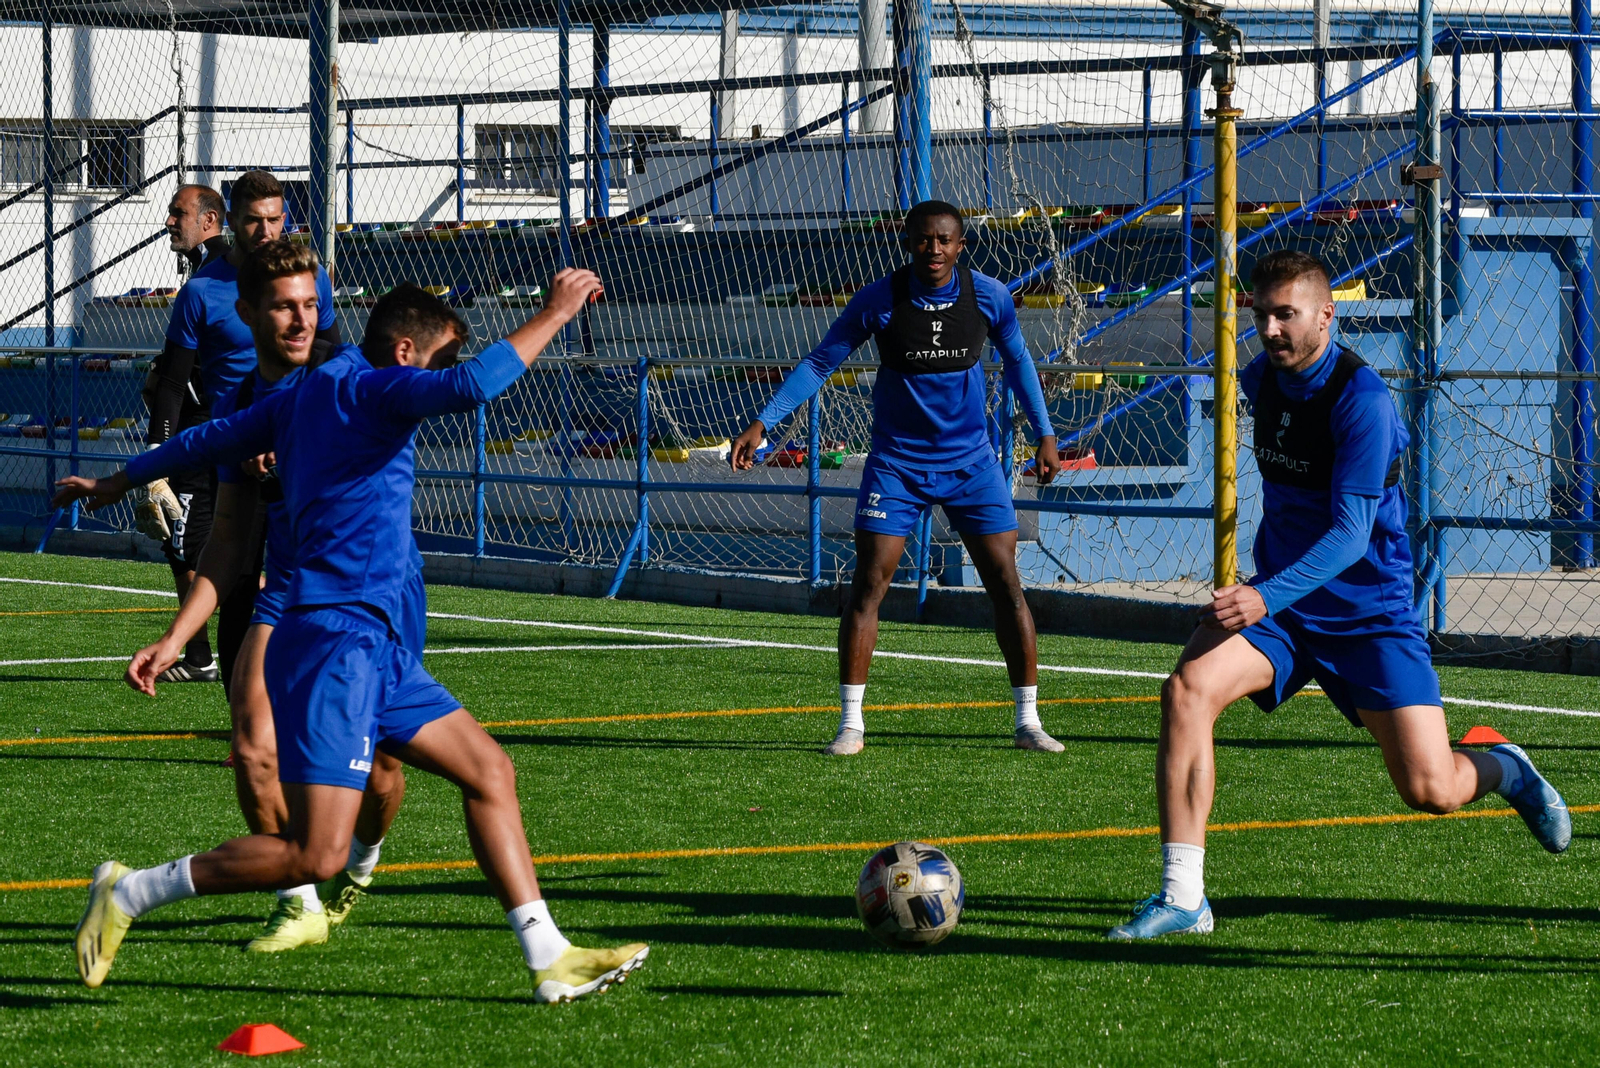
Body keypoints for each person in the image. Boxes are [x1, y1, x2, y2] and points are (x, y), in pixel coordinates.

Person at [56, 247, 648, 1003]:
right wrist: (557, 311)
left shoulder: (306, 393)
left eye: (310, 305)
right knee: (313, 854)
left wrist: (117, 478)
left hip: (375, 645)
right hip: (334, 642)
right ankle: (129, 892)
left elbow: (198, 442)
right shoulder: (371, 390)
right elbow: (473, 385)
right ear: (404, 352)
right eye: (433, 358)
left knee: (489, 771)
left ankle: (549, 957)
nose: (433, 374)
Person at [1106, 249, 1571, 941]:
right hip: (1286, 612)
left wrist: (1262, 596)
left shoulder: (1364, 402)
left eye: (1284, 314)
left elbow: (1353, 537)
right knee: (1187, 691)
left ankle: (1507, 768)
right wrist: (1268, 597)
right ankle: (1183, 898)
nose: (1268, 329)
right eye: (1259, 314)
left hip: (1368, 617)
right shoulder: (1260, 375)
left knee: (1431, 790)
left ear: (1328, 314)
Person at [124, 243, 415, 953]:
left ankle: (361, 865)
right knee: (253, 747)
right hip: (282, 597)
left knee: (380, 775)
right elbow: (227, 537)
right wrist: (176, 634)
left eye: (311, 304)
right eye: (284, 306)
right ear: (248, 313)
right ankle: (298, 900)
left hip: (367, 599)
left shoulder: (349, 380)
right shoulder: (240, 405)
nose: (300, 320)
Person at [731, 199, 1065, 755]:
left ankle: (1028, 720)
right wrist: (765, 422)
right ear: (907, 242)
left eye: (944, 240)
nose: (933, 250)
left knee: (1006, 582)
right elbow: (821, 362)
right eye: (923, 240)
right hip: (897, 465)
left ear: (960, 246)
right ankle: (851, 724)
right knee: (870, 583)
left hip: (972, 465)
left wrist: (1045, 433)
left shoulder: (990, 296)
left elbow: (1019, 361)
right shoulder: (880, 299)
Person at [140, 171, 342, 685]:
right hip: (234, 450)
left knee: (320, 584)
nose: (267, 231)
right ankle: (242, 716)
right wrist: (155, 462)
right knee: (234, 586)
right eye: (254, 220)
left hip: (301, 448)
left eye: (276, 219)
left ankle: (309, 702)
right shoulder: (202, 291)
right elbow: (172, 378)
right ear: (230, 222)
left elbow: (334, 354)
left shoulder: (309, 276)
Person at [136, 183, 231, 681]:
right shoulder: (203, 272)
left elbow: (177, 378)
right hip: (212, 430)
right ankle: (197, 655)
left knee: (187, 542)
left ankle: (198, 657)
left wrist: (157, 455)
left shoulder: (215, 275)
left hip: (209, 433)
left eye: (179, 213)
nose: (170, 221)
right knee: (192, 541)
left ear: (210, 220)